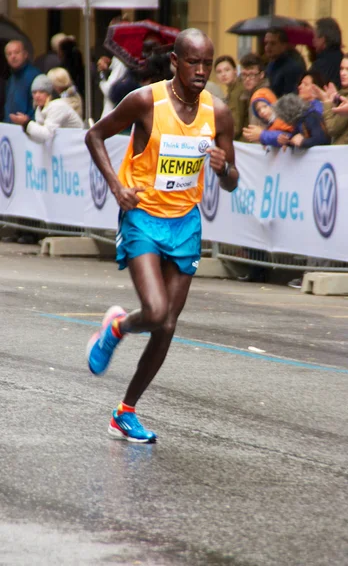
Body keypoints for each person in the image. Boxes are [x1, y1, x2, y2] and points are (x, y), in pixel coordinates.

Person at [85, 28, 239, 443]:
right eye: (194, 62)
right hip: (143, 216)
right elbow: (94, 135)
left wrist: (224, 168)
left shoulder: (218, 113)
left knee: (168, 324)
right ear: (175, 61)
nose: (202, 70)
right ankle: (117, 327)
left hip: (185, 221)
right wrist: (117, 188)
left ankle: (125, 411)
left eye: (208, 63)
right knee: (154, 312)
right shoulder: (145, 101)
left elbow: (232, 181)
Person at [10, 74, 83, 142]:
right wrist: (25, 125)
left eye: (41, 92)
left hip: (77, 146)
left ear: (49, 94)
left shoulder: (58, 106)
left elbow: (47, 135)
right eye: (34, 92)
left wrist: (26, 123)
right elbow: (39, 138)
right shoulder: (39, 109)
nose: (37, 96)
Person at [321, 52, 348, 145]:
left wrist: (327, 102)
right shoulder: (344, 93)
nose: (343, 73)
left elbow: (332, 129)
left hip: (347, 152)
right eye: (341, 69)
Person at [3, 39, 41, 123]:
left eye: (16, 52)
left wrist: (29, 122)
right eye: (9, 54)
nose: (13, 56)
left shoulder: (35, 76)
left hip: (28, 128)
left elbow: (39, 105)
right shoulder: (10, 79)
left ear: (25, 54)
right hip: (10, 128)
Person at [264, 27, 305, 98]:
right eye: (266, 43)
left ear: (283, 45)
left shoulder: (292, 68)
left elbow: (291, 97)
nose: (268, 47)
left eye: (273, 43)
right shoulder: (270, 65)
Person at [214, 55, 245, 140]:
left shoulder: (238, 91)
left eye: (227, 70)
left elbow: (235, 126)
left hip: (243, 141)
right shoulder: (232, 90)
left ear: (235, 71)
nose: (223, 74)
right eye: (219, 72)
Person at [238, 53, 269, 138]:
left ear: (261, 75)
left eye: (251, 75)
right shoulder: (247, 94)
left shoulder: (263, 97)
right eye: (244, 75)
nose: (247, 79)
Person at [310, 18, 343, 88]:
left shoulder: (320, 64)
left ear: (323, 39)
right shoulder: (343, 57)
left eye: (314, 37)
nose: (313, 41)